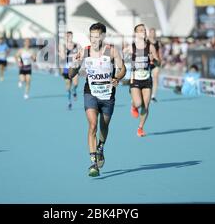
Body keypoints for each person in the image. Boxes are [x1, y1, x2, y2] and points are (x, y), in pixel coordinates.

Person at [69, 23, 126, 177]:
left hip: (108, 95)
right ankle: (93, 163)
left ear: (103, 36)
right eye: (91, 36)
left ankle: (101, 147)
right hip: (91, 93)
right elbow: (70, 74)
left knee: (104, 126)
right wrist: (75, 63)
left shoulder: (112, 51)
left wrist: (117, 78)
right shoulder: (85, 51)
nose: (93, 39)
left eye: (96, 36)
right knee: (92, 125)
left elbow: (123, 69)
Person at [129, 24, 161, 137]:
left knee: (145, 106)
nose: (143, 32)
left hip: (147, 79)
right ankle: (133, 105)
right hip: (135, 79)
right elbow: (121, 58)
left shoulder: (150, 47)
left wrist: (154, 60)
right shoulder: (131, 47)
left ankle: (140, 128)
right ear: (136, 33)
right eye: (140, 30)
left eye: (144, 30)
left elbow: (158, 63)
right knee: (138, 103)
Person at [59, 32, 81, 110]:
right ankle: (69, 102)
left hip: (74, 67)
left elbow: (81, 54)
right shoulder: (63, 46)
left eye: (70, 36)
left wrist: (79, 60)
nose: (68, 37)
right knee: (68, 86)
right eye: (67, 36)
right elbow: (62, 57)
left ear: (72, 36)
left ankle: (74, 90)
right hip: (66, 68)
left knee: (75, 84)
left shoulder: (77, 45)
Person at [148, 28, 162, 102]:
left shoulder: (157, 43)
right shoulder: (146, 42)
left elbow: (160, 53)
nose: (153, 34)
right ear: (149, 33)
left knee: (155, 78)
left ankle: (153, 96)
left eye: (154, 32)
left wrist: (160, 61)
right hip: (147, 62)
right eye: (151, 32)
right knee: (147, 79)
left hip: (155, 62)